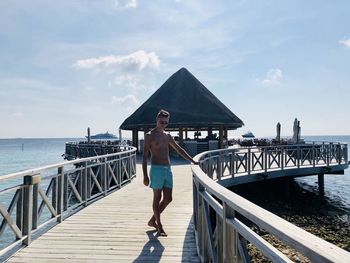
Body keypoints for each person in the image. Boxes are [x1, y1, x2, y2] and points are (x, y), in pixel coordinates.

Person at [142, 109, 198, 236]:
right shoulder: (149, 135)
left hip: (168, 169)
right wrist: (145, 176)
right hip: (156, 169)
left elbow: (179, 150)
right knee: (157, 197)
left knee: (168, 198)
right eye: (161, 122)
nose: (163, 124)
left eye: (166, 122)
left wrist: (192, 160)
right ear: (156, 120)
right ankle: (159, 226)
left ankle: (152, 220)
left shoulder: (167, 136)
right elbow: (145, 156)